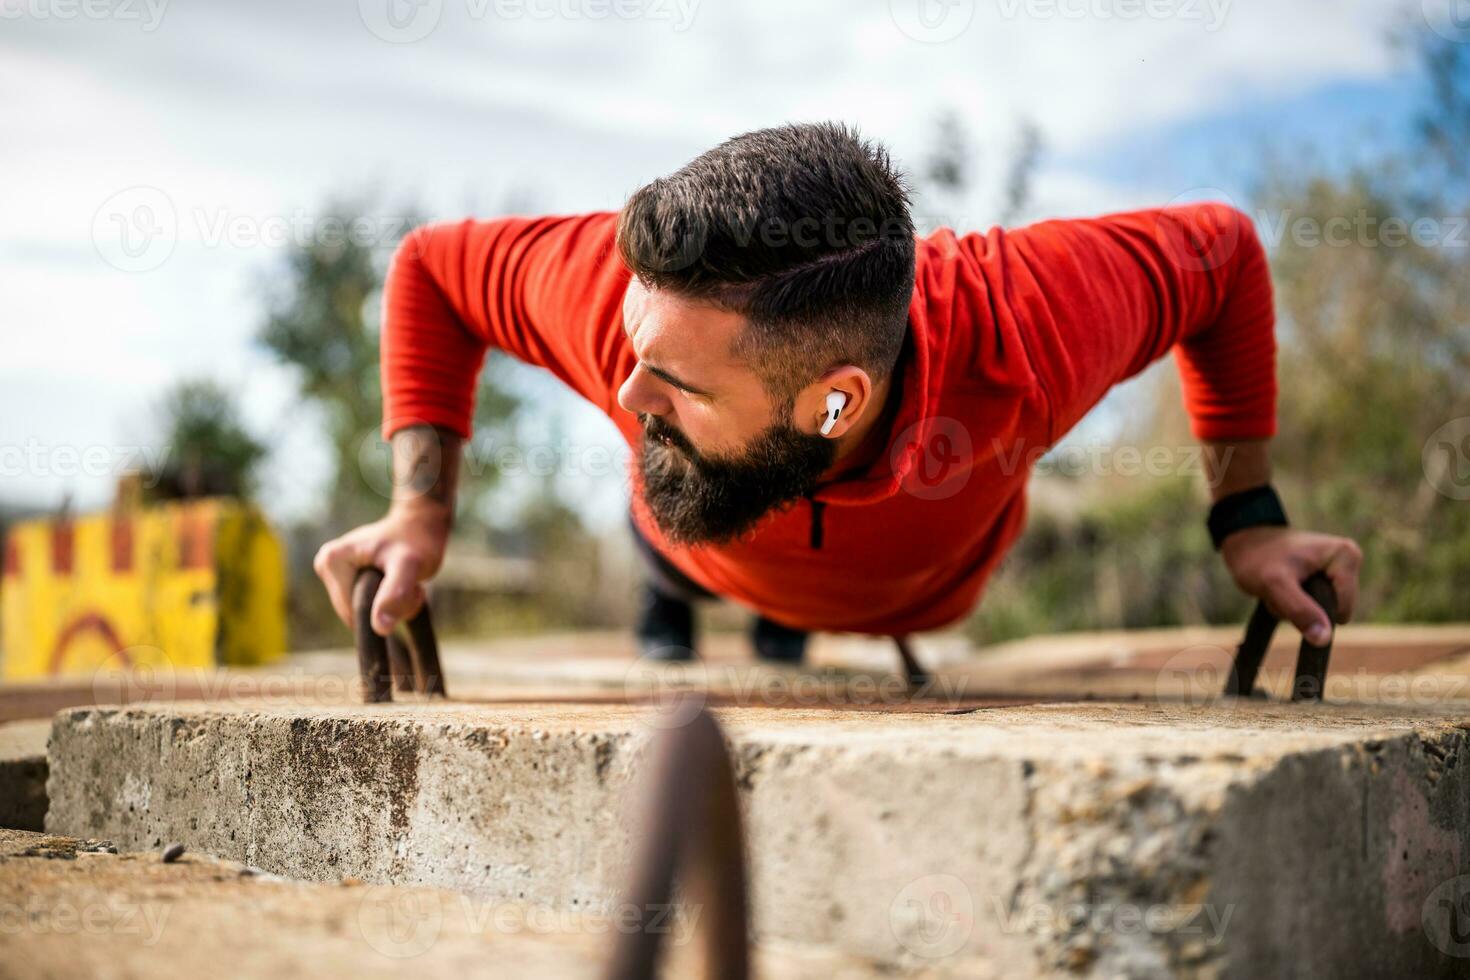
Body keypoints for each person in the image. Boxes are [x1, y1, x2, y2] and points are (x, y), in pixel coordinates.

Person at [314, 122, 1362, 665]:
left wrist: (1248, 519)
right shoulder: (624, 303)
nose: (627, 394)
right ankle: (686, 594)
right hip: (701, 549)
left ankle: (786, 627)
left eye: (673, 382)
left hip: (930, 584)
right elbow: (429, 270)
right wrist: (420, 507)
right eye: (636, 355)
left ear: (836, 401)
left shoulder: (1026, 326)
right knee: (671, 526)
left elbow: (1221, 256)